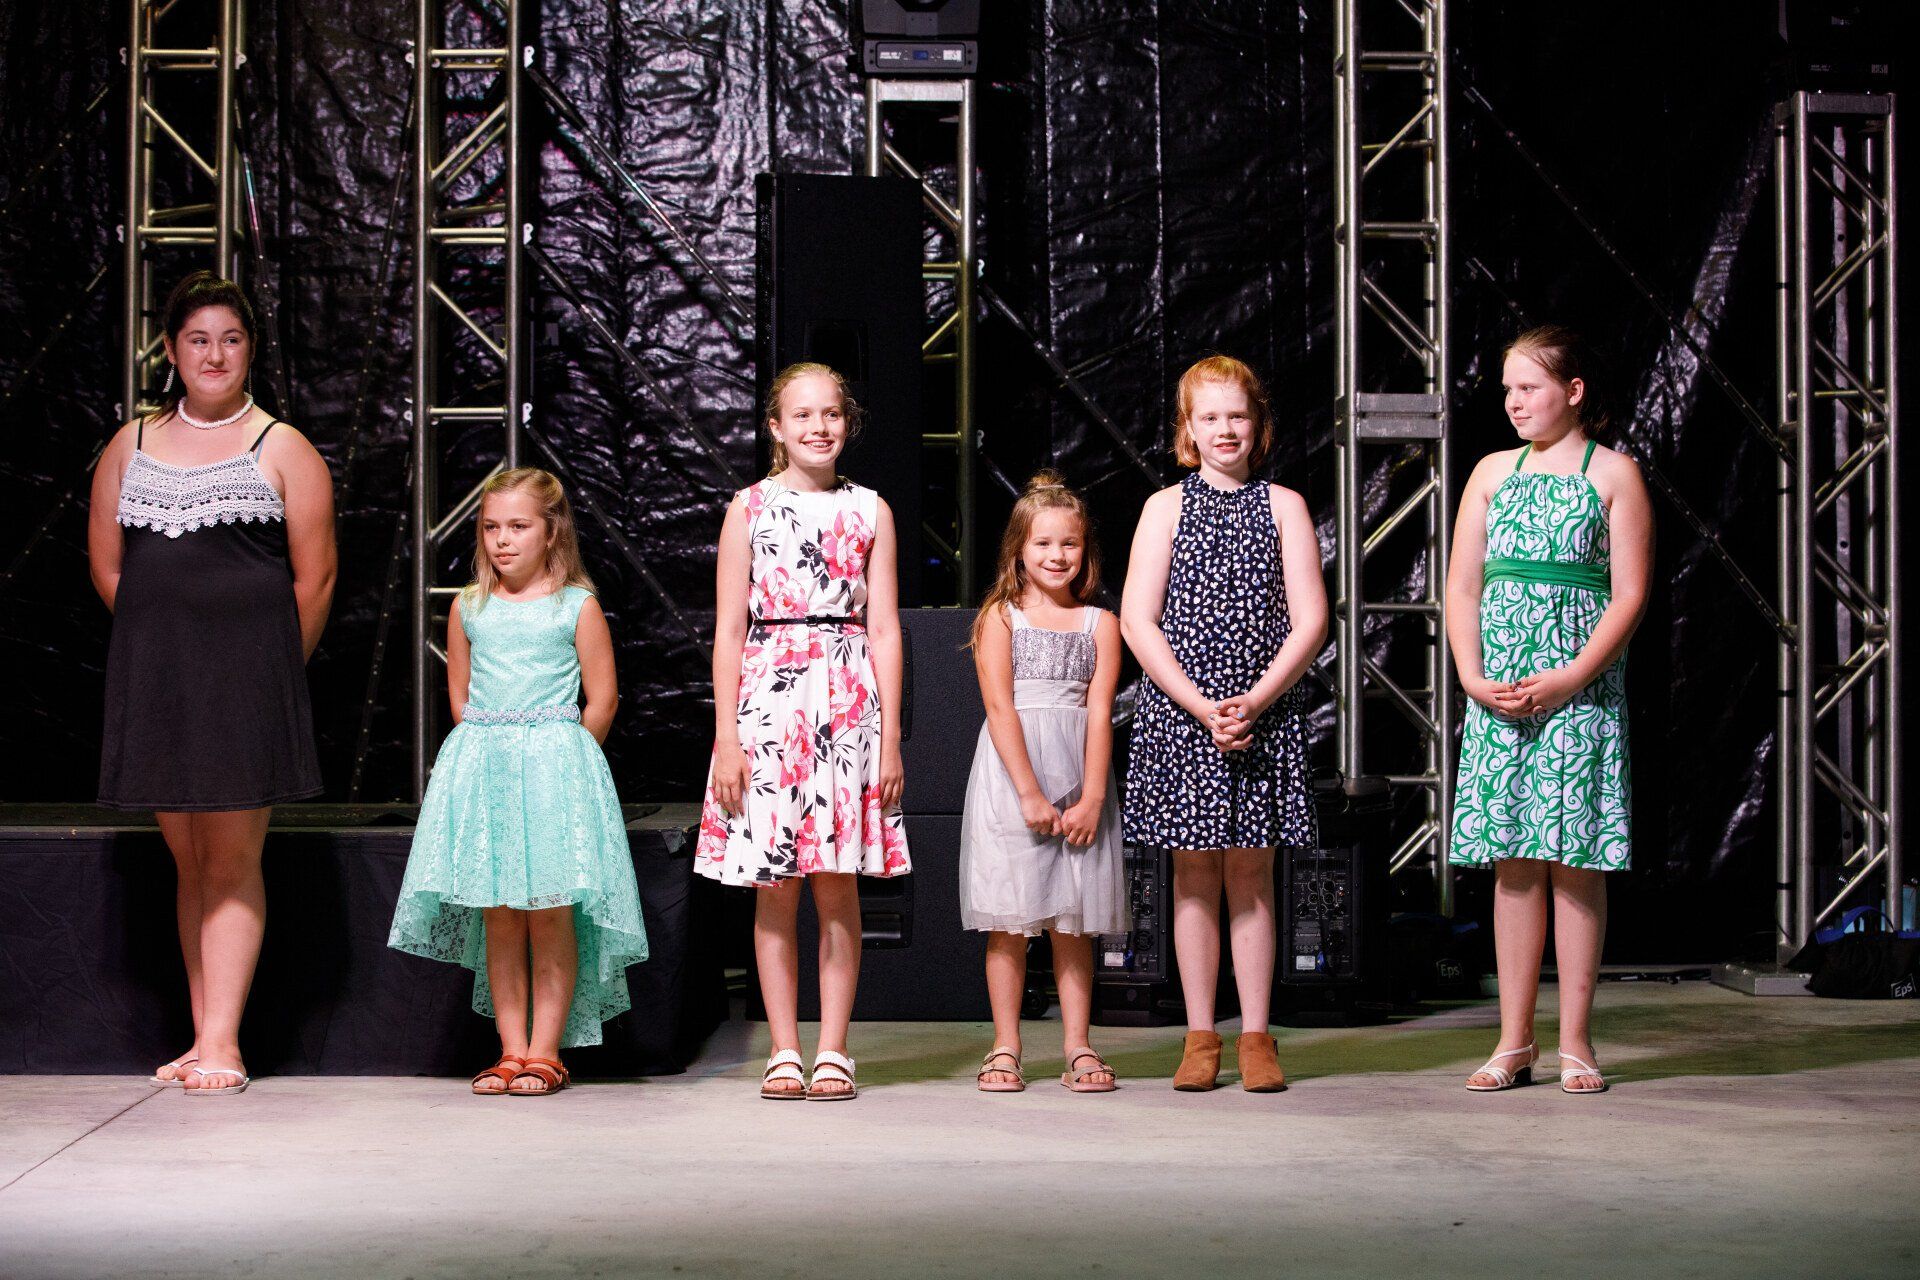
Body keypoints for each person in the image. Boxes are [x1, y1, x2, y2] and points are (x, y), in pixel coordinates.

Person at [88, 271, 335, 1096]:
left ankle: (224, 1041)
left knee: (231, 858)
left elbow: (317, 580)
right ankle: (202, 1037)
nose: (214, 354)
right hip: (158, 681)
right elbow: (108, 567)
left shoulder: (283, 447)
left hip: (246, 684)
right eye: (198, 339)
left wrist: (261, 668)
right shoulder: (132, 445)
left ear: (251, 350)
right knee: (189, 861)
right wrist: (169, 646)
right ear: (170, 349)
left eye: (230, 339)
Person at [388, 468, 648, 1097]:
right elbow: (460, 700)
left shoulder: (575, 606)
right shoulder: (469, 606)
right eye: (492, 527)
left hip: (555, 774)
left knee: (550, 914)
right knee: (501, 915)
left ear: (551, 530)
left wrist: (562, 761)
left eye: (518, 526)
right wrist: (493, 752)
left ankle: (546, 1051)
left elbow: (603, 698)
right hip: (488, 774)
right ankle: (509, 1051)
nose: (503, 540)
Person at [696, 362, 910, 1101]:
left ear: (846, 423)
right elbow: (728, 630)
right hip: (768, 706)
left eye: (832, 414)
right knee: (776, 887)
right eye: (804, 415)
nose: (819, 427)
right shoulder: (749, 508)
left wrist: (889, 740)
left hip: (846, 702)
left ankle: (833, 1050)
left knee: (837, 884)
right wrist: (727, 737)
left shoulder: (871, 509)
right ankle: (783, 1048)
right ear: (776, 426)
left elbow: (883, 630)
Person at [1448, 326, 1651, 1096]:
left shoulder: (1614, 476)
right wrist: (1470, 674)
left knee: (1574, 860)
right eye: (1506, 389)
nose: (1513, 402)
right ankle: (1513, 1042)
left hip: (1579, 691)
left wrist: (1570, 677)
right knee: (1514, 861)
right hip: (1501, 692)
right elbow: (1464, 586)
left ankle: (1576, 1042)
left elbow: (1628, 595)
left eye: (1528, 388)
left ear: (1573, 392)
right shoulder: (1492, 473)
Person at [1120, 355, 1326, 1093]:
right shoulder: (1164, 509)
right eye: (1209, 417)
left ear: (1256, 422)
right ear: (1188, 428)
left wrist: (1255, 702)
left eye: (1237, 414)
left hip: (1261, 715)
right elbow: (1138, 622)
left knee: (1254, 875)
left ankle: (1257, 1036)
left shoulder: (1286, 507)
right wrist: (1201, 706)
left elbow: (1311, 621)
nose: (1225, 429)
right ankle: (1200, 1034)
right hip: (1185, 718)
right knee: (1193, 877)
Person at [960, 471, 1126, 1094]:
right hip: (1014, 777)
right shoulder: (999, 618)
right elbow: (1000, 709)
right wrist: (1029, 792)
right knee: (1010, 918)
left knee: (1072, 919)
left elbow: (1100, 711)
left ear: (1086, 551)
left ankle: (1079, 1045)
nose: (1057, 556)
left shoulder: (1100, 623)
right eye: (1043, 545)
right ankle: (1005, 1046)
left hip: (1079, 775)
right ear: (1018, 552)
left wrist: (1092, 796)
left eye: (1070, 545)